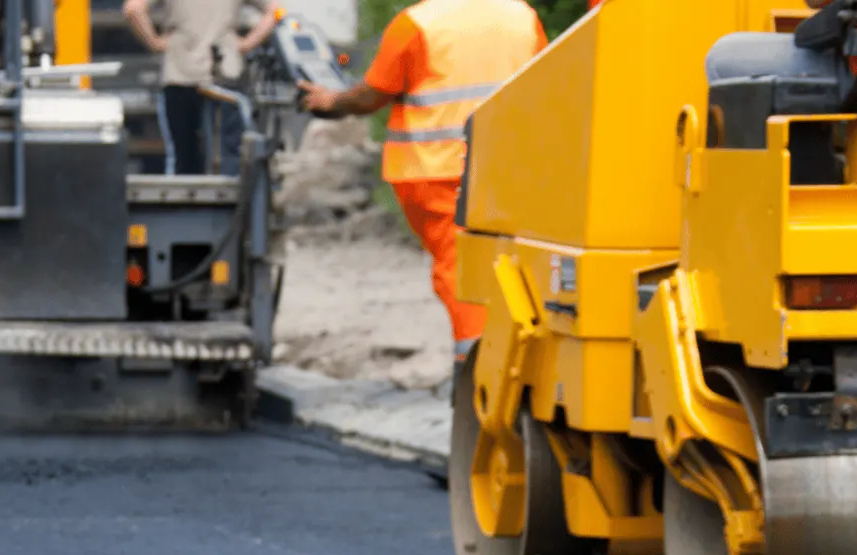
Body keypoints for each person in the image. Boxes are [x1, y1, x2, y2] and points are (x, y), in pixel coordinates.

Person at [299, 0, 546, 358]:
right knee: (509, 263)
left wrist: (330, 101)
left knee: (461, 268)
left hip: (438, 171)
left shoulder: (417, 25)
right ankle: (507, 358)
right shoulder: (522, 16)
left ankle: (474, 375)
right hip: (510, 169)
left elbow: (373, 94)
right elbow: (543, 78)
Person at [124, 0, 277, 175]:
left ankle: (187, 199)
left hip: (181, 72)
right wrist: (247, 43)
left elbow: (133, 9)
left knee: (184, 156)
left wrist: (154, 42)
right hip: (226, 71)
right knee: (231, 152)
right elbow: (276, 11)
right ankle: (229, 198)